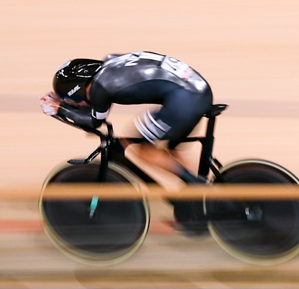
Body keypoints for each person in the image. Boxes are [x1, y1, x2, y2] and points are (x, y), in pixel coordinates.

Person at [41, 51, 214, 235]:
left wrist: (60, 108)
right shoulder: (108, 64)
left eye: (76, 101)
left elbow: (94, 121)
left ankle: (195, 184)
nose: (80, 105)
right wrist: (65, 102)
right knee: (169, 149)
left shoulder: (99, 86)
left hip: (184, 98)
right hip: (195, 90)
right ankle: (198, 199)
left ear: (81, 89)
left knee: (142, 149)